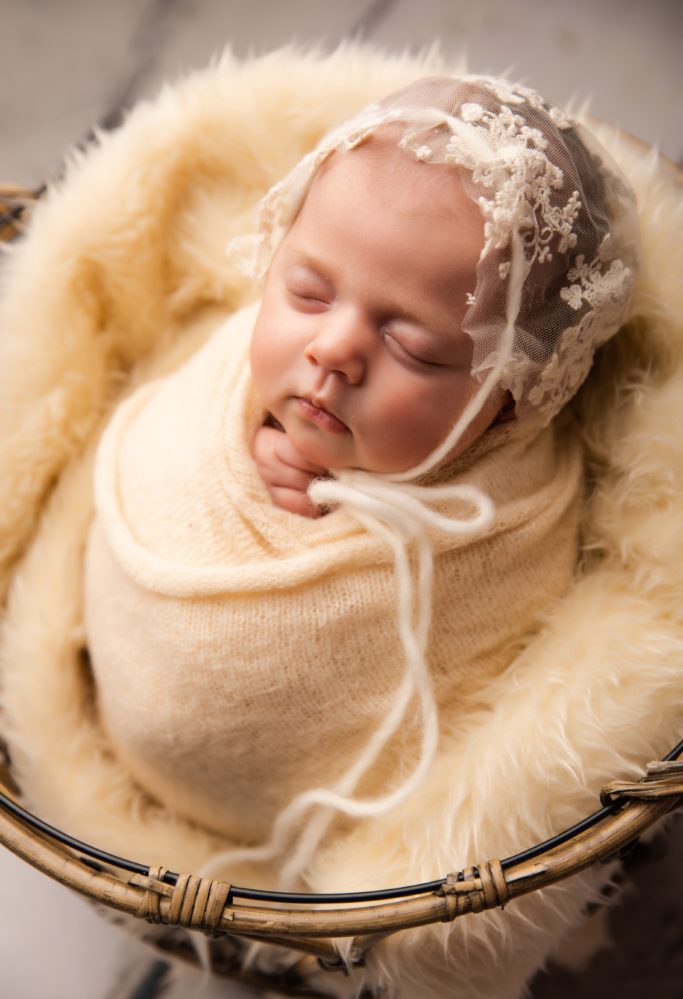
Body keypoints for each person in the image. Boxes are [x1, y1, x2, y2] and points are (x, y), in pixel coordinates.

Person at [83, 74, 639, 889]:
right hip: (120, 683)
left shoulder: (510, 522)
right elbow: (170, 434)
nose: (332, 349)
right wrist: (251, 447)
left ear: (513, 394)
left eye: (413, 347)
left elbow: (488, 674)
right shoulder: (235, 375)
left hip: (285, 818)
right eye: (307, 292)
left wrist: (362, 516)